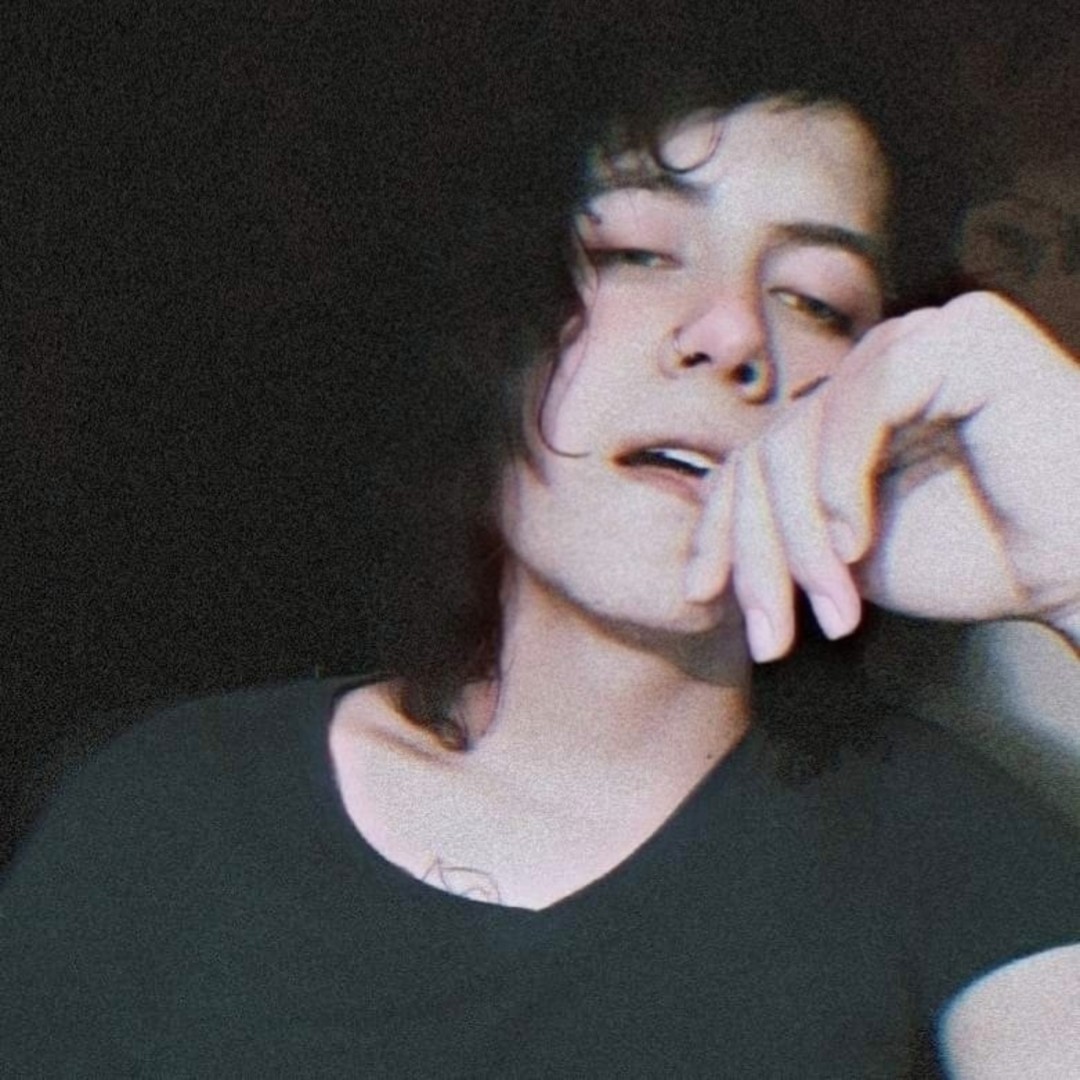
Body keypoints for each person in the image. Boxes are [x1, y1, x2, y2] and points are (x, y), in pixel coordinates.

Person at [3, 15, 1079, 1078]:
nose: (735, 334)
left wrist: (1073, 571)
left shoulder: (959, 856)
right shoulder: (168, 811)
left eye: (817, 300)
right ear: (493, 332)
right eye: (636, 253)